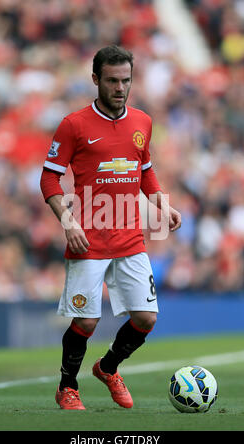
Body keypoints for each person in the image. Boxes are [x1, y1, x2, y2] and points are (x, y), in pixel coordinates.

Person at [40, 45, 181, 410]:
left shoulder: (142, 122)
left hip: (130, 236)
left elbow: (144, 169)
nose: (120, 88)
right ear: (96, 80)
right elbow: (49, 180)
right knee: (85, 323)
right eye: (112, 80)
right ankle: (67, 387)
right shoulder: (74, 125)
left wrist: (161, 201)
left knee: (146, 317)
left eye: (126, 80)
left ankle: (108, 367)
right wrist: (68, 221)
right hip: (88, 237)